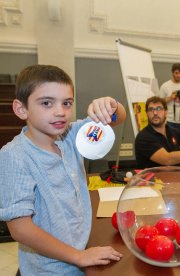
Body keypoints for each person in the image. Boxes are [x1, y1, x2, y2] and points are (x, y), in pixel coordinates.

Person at [0, 65, 126, 275]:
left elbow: (116, 119)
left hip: (81, 253)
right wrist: (78, 256)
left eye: (67, 103)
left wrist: (111, 105)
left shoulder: (70, 135)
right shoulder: (14, 156)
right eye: (47, 103)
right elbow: (20, 229)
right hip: (50, 269)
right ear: (21, 109)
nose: (60, 112)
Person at [159, 63, 180, 135]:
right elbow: (159, 103)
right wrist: (170, 98)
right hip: (169, 121)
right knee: (168, 144)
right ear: (172, 72)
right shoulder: (165, 86)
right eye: (176, 73)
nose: (179, 75)